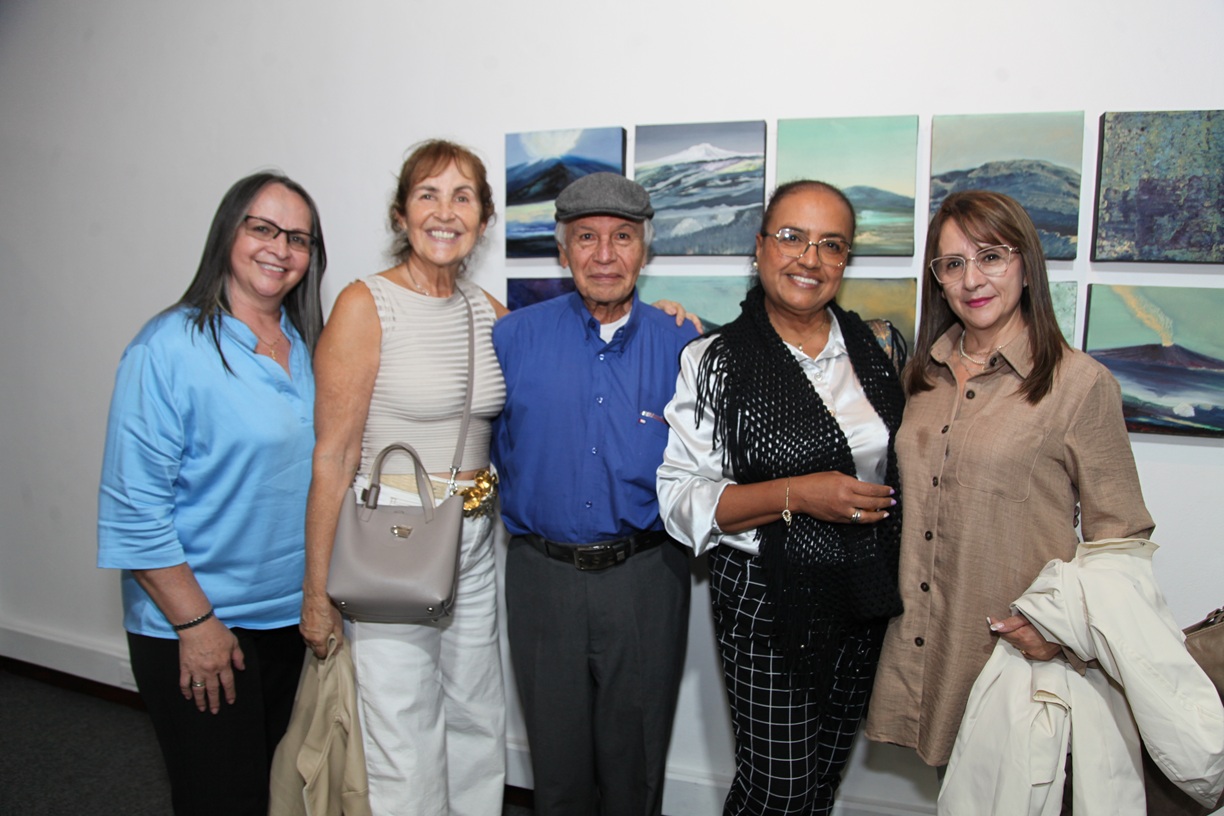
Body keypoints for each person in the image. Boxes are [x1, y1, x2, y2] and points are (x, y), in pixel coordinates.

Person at [863, 190, 1155, 771]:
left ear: (1025, 264)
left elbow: (1122, 538)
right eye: (952, 263)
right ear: (938, 280)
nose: (972, 279)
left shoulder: (1079, 384)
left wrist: (1062, 630)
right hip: (924, 641)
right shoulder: (919, 378)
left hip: (1017, 656)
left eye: (991, 256)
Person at [656, 180, 906, 815]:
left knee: (821, 780)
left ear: (845, 261)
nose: (809, 258)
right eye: (792, 237)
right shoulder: (714, 360)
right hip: (767, 601)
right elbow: (682, 500)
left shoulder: (876, 349)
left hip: (863, 594)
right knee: (779, 789)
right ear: (761, 247)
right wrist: (801, 495)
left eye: (831, 244)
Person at [97, 172, 327, 815]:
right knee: (222, 800)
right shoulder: (166, 349)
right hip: (203, 625)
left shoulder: (312, 346)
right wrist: (197, 626)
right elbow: (134, 511)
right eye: (263, 228)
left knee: (281, 794)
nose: (280, 248)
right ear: (229, 232)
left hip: (293, 620)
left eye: (299, 238)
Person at [299, 140, 508, 815]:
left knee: (478, 716)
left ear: (483, 218)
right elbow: (332, 456)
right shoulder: (366, 305)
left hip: (472, 537)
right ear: (400, 215)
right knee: (400, 726)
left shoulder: (491, 312)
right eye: (428, 194)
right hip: (392, 533)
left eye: (463, 196)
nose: (445, 212)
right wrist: (316, 590)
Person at [491, 172, 698, 816]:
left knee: (635, 767)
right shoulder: (512, 338)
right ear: (562, 251)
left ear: (645, 251)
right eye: (586, 238)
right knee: (555, 769)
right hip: (541, 577)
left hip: (646, 577)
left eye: (623, 237)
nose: (604, 255)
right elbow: (491, 447)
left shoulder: (686, 346)